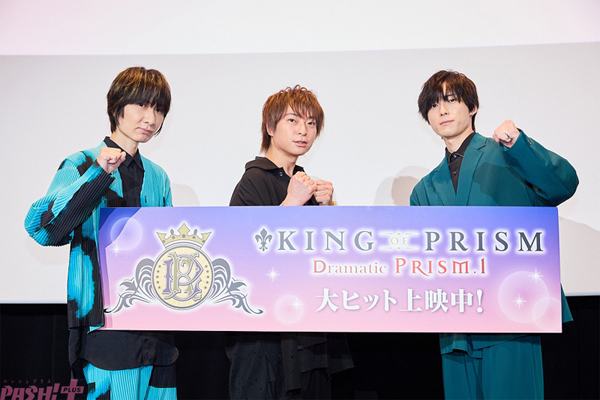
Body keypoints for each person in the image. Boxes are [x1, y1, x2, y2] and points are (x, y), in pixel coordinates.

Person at [410, 70, 578, 399]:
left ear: (472, 106)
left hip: (511, 316)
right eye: (433, 105)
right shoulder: (425, 189)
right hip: (456, 327)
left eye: (451, 100)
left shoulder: (507, 154)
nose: (442, 110)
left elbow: (563, 185)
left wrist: (519, 145)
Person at [25, 67, 178, 399]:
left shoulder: (158, 177)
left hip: (156, 327)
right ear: (117, 106)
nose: (151, 118)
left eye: (158, 109)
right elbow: (43, 229)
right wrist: (98, 173)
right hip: (105, 327)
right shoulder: (81, 163)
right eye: (141, 105)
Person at [228, 85, 353, 399]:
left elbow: (327, 257)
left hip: (309, 325)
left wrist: (328, 209)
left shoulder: (305, 183)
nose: (303, 131)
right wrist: (291, 204)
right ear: (270, 128)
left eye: (311, 123)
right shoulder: (253, 181)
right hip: (267, 338)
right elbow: (244, 255)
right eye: (293, 121)